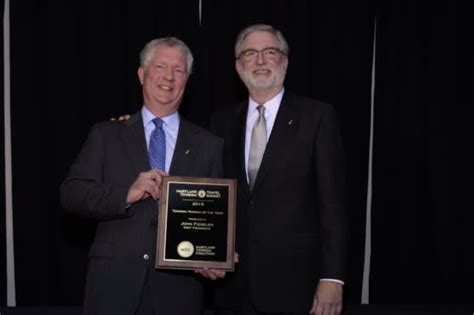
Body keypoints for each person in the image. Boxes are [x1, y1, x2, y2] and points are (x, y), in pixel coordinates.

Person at [60, 37, 225, 315]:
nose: (169, 77)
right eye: (160, 66)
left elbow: (213, 218)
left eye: (179, 70)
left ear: (187, 79)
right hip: (113, 287)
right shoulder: (107, 134)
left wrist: (215, 253)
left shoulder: (209, 145)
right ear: (141, 74)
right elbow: (71, 194)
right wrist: (125, 193)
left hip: (178, 293)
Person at [209, 24, 347, 315]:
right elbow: (211, 196)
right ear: (238, 66)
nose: (260, 61)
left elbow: (333, 206)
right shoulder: (219, 122)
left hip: (298, 287)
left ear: (284, 61)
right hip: (233, 288)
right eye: (250, 53)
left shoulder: (318, 117)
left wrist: (332, 277)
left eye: (269, 52)